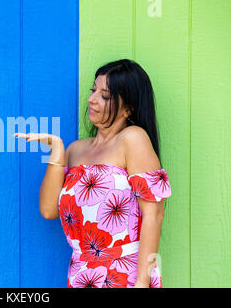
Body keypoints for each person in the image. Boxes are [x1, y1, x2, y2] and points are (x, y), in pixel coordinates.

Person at [14, 59, 171, 288]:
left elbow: (153, 215)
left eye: (105, 96)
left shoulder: (133, 139)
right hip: (82, 274)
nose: (91, 99)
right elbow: (48, 210)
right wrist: (57, 148)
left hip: (125, 273)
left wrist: (142, 281)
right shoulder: (75, 150)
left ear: (129, 108)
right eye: (93, 90)